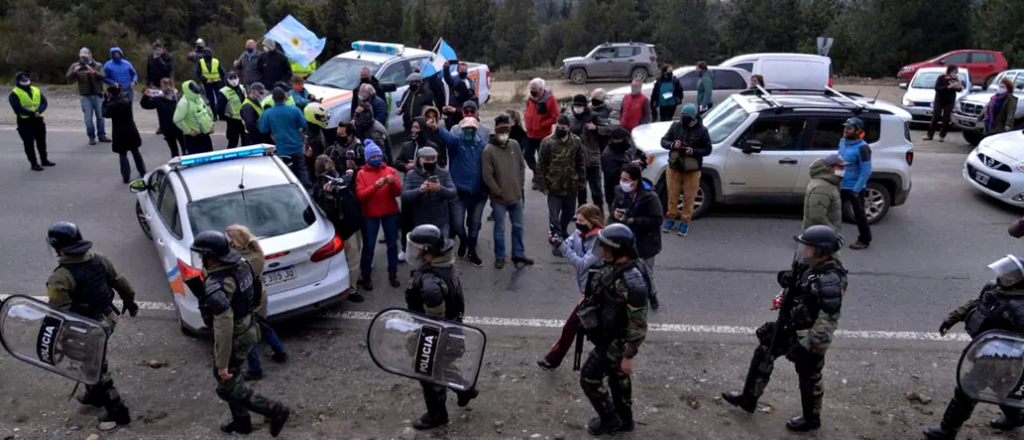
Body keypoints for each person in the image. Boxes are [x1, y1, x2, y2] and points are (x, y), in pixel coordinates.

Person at [722, 225, 848, 433]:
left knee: (809, 375)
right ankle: (748, 398)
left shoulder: (829, 279)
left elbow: (828, 321)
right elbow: (797, 290)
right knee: (764, 351)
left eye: (808, 247)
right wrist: (787, 280)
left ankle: (811, 419)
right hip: (792, 324)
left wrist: (807, 345)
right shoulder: (810, 266)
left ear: (821, 251)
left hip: (811, 334)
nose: (803, 251)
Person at [188, 231, 291, 436]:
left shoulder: (217, 283)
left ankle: (273, 409)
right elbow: (255, 293)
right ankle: (242, 422)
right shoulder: (242, 265)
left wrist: (223, 362)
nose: (201, 260)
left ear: (210, 257)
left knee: (226, 384)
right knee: (231, 380)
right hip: (250, 326)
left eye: (202, 256)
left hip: (236, 335)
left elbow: (223, 325)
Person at [46, 221, 138, 427]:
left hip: (88, 329)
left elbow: (60, 313)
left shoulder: (59, 278)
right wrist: (130, 303)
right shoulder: (100, 259)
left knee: (93, 368)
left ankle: (118, 411)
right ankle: (94, 394)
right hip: (108, 318)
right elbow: (122, 283)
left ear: (59, 248)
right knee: (92, 360)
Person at [925, 254, 1024, 440]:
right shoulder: (995, 288)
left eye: (1010, 275)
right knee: (1002, 388)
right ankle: (1015, 416)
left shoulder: (1019, 307)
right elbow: (977, 303)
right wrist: (953, 317)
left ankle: (947, 430)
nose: (1003, 276)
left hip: (1003, 359)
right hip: (986, 351)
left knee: (967, 391)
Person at [577, 223, 651, 435]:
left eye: (607, 247)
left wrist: (629, 355)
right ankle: (625, 421)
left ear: (619, 251)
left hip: (616, 341)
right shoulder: (617, 267)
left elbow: (638, 323)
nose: (604, 251)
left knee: (589, 378)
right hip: (608, 335)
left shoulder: (632, 281)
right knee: (618, 379)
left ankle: (610, 420)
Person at [403, 224, 479, 430]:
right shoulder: (444, 264)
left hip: (439, 337)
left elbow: (434, 325)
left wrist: (417, 343)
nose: (414, 251)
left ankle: (437, 414)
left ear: (428, 251)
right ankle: (465, 390)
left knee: (427, 374)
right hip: (454, 333)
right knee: (442, 367)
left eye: (417, 248)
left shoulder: (431, 284)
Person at [538, 204, 606, 370]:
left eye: (582, 221)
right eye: (577, 220)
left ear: (592, 221)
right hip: (588, 290)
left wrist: (563, 247)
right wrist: (556, 241)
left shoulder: (599, 241)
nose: (578, 224)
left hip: (599, 292)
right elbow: (565, 248)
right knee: (589, 329)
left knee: (574, 326)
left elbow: (582, 264)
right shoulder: (578, 234)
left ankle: (553, 359)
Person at [225, 224, 288, 382]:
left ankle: (255, 369)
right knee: (262, 325)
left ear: (234, 242)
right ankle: (279, 351)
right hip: (260, 295)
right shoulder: (256, 253)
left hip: (244, 300)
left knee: (246, 334)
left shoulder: (237, 261)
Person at [311, 155, 365, 303]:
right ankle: (351, 289)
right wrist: (329, 196)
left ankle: (352, 282)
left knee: (355, 257)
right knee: (352, 259)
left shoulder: (339, 178)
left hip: (353, 223)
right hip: (344, 228)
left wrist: (350, 177)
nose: (332, 169)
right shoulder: (320, 189)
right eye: (328, 167)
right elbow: (326, 212)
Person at [608, 164, 663, 310]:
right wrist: (615, 214)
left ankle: (652, 295)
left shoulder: (650, 197)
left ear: (636, 180)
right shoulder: (620, 191)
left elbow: (657, 219)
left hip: (646, 240)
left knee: (646, 271)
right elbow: (613, 207)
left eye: (625, 179)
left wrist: (636, 221)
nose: (622, 182)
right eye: (621, 179)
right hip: (626, 239)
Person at [482, 115, 533, 269]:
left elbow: (521, 166)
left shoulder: (515, 145)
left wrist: (520, 185)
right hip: (499, 199)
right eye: (501, 132)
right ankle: (500, 256)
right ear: (496, 133)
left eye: (507, 132)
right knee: (499, 229)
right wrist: (497, 191)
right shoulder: (489, 151)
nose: (504, 135)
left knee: (518, 227)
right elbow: (487, 175)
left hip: (516, 196)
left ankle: (518, 253)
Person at [437, 117, 488, 267]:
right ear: (462, 129)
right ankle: (464, 241)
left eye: (472, 128)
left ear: (477, 130)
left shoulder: (483, 146)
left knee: (475, 223)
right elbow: (444, 135)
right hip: (459, 193)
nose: (469, 131)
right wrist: (436, 126)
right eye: (466, 128)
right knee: (458, 224)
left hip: (478, 194)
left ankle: (471, 251)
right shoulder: (456, 143)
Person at [355, 140, 403, 290]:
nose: (376, 159)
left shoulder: (390, 170)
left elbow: (398, 192)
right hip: (370, 214)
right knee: (369, 247)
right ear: (367, 159)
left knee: (392, 245)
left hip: (390, 212)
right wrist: (374, 187)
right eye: (373, 157)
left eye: (378, 157)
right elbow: (361, 195)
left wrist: (393, 182)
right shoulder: (361, 174)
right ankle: (366, 275)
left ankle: (393, 273)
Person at [659, 104, 711, 237]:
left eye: (687, 117)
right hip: (674, 167)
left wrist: (693, 151)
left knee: (689, 198)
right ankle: (670, 218)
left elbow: (708, 149)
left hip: (692, 170)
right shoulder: (676, 126)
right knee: (672, 196)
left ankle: (685, 221)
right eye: (683, 116)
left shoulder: (702, 131)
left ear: (694, 118)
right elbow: (664, 141)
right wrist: (672, 145)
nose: (684, 120)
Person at [538, 115, 587, 238]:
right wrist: (542, 184)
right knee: (554, 216)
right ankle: (556, 238)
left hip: (571, 185)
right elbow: (541, 165)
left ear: (568, 127)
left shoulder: (576, 141)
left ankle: (563, 230)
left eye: (563, 128)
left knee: (569, 213)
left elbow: (580, 162)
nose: (559, 129)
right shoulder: (547, 142)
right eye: (558, 127)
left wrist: (582, 181)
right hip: (554, 186)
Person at [259, 88, 310, 188]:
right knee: (302, 171)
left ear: (273, 99)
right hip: (297, 147)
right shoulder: (294, 110)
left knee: (286, 175)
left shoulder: (268, 113)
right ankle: (307, 194)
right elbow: (304, 125)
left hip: (282, 150)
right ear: (285, 98)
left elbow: (262, 129)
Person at [402, 146, 457, 236]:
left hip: (441, 221)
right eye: (427, 159)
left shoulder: (443, 173)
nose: (431, 162)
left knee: (442, 247)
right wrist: (420, 190)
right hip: (420, 222)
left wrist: (440, 189)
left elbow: (453, 192)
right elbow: (404, 196)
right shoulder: (411, 175)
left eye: (433, 159)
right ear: (420, 160)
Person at [836, 117, 872, 250]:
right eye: (845, 127)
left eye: (849, 128)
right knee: (834, 213)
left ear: (857, 130)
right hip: (841, 184)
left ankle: (864, 239)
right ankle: (831, 236)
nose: (845, 130)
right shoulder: (843, 142)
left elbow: (866, 171)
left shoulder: (863, 148)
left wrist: (856, 189)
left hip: (854, 188)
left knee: (859, 215)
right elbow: (840, 161)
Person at [568, 94, 609, 211]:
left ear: (585, 106)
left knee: (596, 190)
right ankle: (582, 213)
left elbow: (609, 129)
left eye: (580, 105)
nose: (577, 108)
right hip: (577, 160)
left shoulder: (594, 117)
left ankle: (599, 213)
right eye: (576, 105)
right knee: (580, 190)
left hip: (593, 160)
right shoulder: (571, 119)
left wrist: (596, 128)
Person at [9, 72, 53, 171]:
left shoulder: (36, 89)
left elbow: (44, 102)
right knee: (29, 144)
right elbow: (17, 108)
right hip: (25, 121)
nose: (26, 83)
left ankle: (44, 160)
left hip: (38, 120)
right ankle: (34, 163)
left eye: (26, 81)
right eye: (23, 81)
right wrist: (31, 113)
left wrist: (38, 111)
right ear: (18, 82)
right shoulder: (14, 93)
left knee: (41, 142)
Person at [103, 84, 146, 184]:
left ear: (110, 94)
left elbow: (105, 114)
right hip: (131, 129)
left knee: (123, 154)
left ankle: (126, 176)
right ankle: (142, 171)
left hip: (119, 132)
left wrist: (105, 101)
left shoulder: (112, 105)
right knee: (135, 152)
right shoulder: (126, 100)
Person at [67, 47, 109, 145]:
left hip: (98, 94)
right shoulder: (75, 65)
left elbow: (103, 77)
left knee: (100, 116)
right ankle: (91, 136)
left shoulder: (97, 65)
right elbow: (68, 78)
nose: (84, 59)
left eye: (85, 56)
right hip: (85, 95)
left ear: (90, 55)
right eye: (82, 57)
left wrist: (94, 72)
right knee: (88, 118)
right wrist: (74, 72)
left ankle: (101, 135)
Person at [601, 128, 647, 214]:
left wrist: (634, 163)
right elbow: (614, 176)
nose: (627, 141)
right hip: (615, 192)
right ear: (615, 140)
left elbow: (626, 162)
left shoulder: (623, 149)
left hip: (629, 190)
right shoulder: (608, 155)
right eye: (624, 139)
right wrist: (631, 166)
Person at [525, 78, 559, 188]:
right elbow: (528, 111)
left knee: (542, 158)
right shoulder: (530, 99)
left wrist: (541, 124)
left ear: (541, 89)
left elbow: (555, 117)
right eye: (531, 88)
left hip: (543, 135)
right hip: (530, 134)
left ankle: (541, 179)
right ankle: (536, 172)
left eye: (534, 89)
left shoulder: (550, 99)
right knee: (528, 155)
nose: (532, 90)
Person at [802, 154, 847, 232]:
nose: (843, 169)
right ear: (830, 168)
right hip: (819, 236)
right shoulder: (822, 188)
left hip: (821, 234)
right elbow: (817, 216)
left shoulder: (829, 183)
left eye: (844, 167)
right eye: (840, 167)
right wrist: (833, 232)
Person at [141, 78, 185, 157]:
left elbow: (145, 105)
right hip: (180, 125)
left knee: (174, 150)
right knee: (184, 147)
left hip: (167, 127)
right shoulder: (179, 96)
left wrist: (146, 96)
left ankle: (176, 166)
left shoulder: (159, 98)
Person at [173, 80, 215, 154]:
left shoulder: (199, 99)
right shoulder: (184, 103)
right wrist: (188, 130)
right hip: (193, 138)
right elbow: (177, 119)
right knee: (197, 162)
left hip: (205, 135)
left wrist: (211, 125)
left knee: (210, 159)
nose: (196, 89)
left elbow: (208, 112)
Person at [925, 65, 964, 142]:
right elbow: (937, 88)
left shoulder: (956, 79)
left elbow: (959, 89)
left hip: (950, 101)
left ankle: (942, 135)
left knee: (946, 118)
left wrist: (958, 87)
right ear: (949, 71)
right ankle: (930, 135)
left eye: (956, 72)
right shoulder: (941, 77)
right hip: (940, 99)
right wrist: (948, 87)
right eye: (953, 72)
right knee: (936, 116)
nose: (954, 74)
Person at [353, 101, 394, 165]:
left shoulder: (374, 131)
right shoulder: (364, 126)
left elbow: (379, 154)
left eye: (358, 115)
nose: (355, 119)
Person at [217, 72, 247, 149]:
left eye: (235, 78)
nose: (234, 80)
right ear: (227, 80)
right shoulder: (224, 92)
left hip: (244, 119)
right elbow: (219, 108)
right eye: (231, 78)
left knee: (246, 141)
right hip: (232, 120)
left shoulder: (242, 88)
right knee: (233, 143)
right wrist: (227, 118)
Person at [196, 48, 225, 120]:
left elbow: (222, 73)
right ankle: (215, 115)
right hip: (207, 83)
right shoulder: (201, 62)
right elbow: (198, 73)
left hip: (216, 82)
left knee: (218, 99)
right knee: (211, 100)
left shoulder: (216, 61)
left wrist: (221, 81)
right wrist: (205, 80)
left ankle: (219, 115)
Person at [303, 103, 330, 180]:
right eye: (321, 117)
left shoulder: (316, 129)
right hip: (316, 173)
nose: (324, 119)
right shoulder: (311, 138)